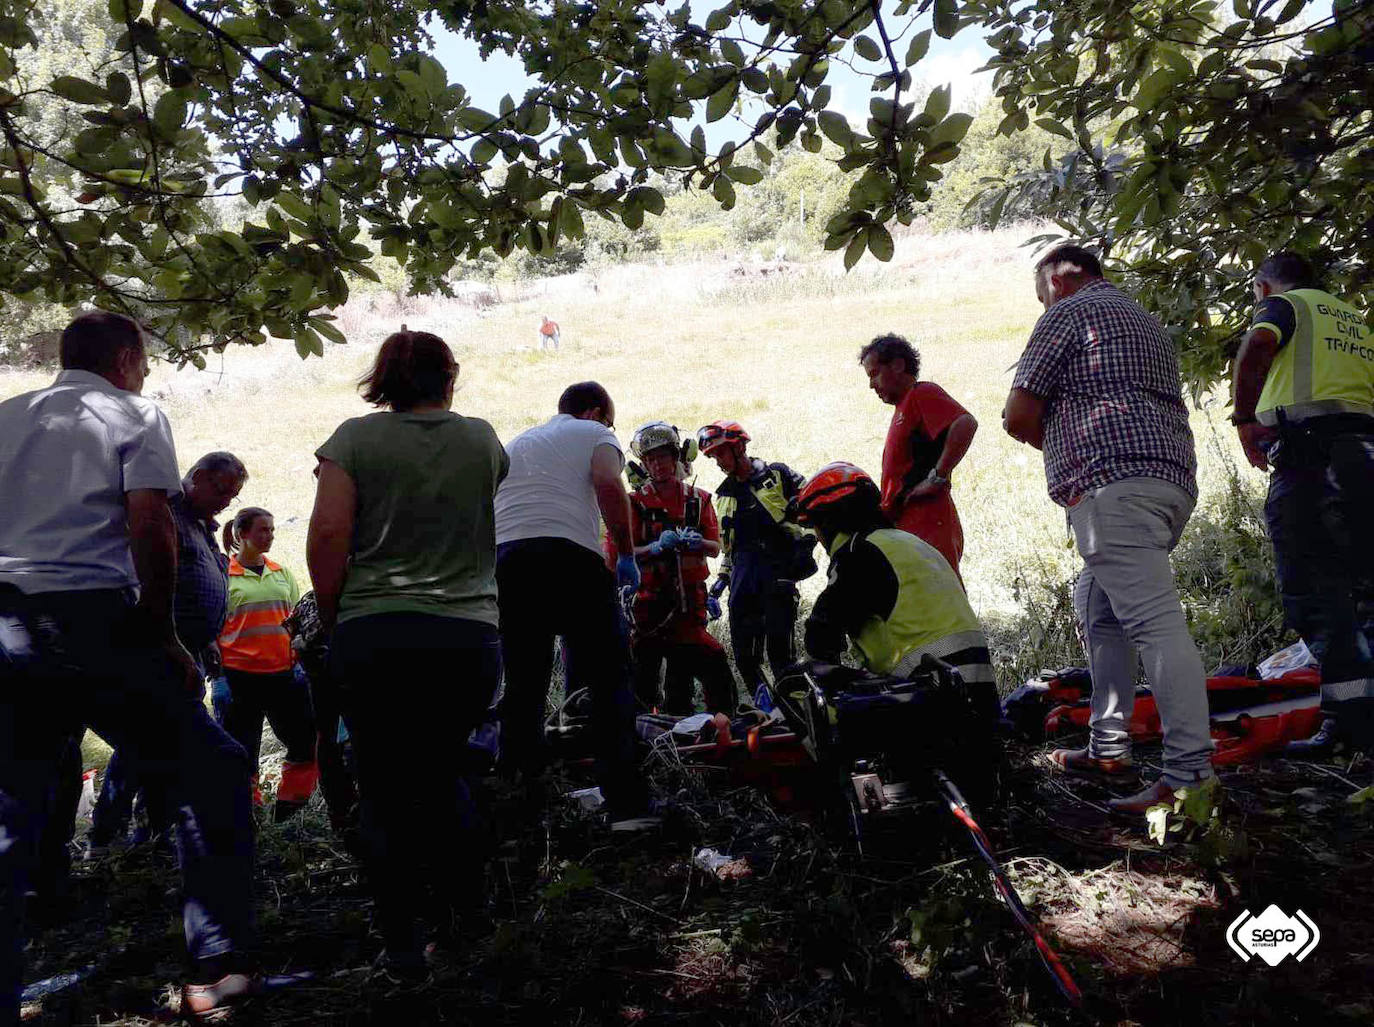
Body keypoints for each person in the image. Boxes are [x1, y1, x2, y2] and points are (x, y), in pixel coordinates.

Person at [0, 311, 256, 1018]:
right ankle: (216, 971)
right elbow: (150, 522)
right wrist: (163, 634)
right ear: (123, 358)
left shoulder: (5, 416)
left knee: (11, 806)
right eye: (143, 362)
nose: (145, 374)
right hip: (93, 618)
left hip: (9, 624)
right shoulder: (132, 412)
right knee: (213, 770)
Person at [308, 329, 508, 973]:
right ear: (449, 375)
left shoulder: (353, 440)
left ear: (384, 378)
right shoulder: (481, 439)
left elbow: (330, 531)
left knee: (385, 789)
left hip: (376, 634)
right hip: (465, 638)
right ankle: (469, 923)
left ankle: (400, 943)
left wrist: (337, 616)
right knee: (444, 771)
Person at [1002, 244, 1214, 814]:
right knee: (1099, 608)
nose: (1041, 304)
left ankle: (1190, 775)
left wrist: (1068, 449)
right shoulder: (1143, 319)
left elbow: (1017, 416)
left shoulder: (1067, 313)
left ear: (1057, 280)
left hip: (1111, 489)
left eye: (1040, 294)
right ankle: (1108, 749)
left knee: (1154, 624)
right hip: (1169, 483)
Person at [1230, 251, 1374, 753]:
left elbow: (1258, 343)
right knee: (1365, 591)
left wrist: (1244, 419)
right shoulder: (1353, 319)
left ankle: (1349, 724)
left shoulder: (1285, 307)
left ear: (1263, 288)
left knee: (1315, 591)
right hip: (1365, 458)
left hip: (1312, 460)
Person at [494, 381, 655, 828]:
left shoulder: (518, 442)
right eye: (610, 419)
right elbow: (608, 483)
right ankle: (625, 803)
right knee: (609, 677)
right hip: (568, 557)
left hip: (507, 562)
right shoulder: (595, 433)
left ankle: (520, 800)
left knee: (525, 682)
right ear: (597, 410)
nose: (611, 428)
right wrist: (624, 552)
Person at [89, 451, 247, 851]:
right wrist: (170, 638)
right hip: (161, 648)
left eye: (234, 495)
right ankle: (109, 833)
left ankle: (153, 831)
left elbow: (199, 582)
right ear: (195, 477)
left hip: (190, 647)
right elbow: (153, 579)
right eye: (221, 489)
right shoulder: (165, 515)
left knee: (159, 742)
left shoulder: (200, 524)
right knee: (147, 739)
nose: (226, 500)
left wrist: (208, 637)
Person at [796, 462, 1000, 730]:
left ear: (829, 520)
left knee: (800, 681)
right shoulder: (905, 541)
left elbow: (821, 632)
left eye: (816, 527)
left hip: (933, 698)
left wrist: (826, 684)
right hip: (980, 698)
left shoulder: (858, 553)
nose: (819, 539)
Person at [620, 422, 737, 714]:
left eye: (663, 457)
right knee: (643, 683)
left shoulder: (699, 499)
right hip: (648, 612)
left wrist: (696, 543)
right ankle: (645, 739)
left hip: (689, 609)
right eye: (651, 459)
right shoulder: (633, 504)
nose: (658, 464)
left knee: (687, 680)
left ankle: (707, 730)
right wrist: (655, 547)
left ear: (676, 458)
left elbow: (715, 547)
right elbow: (622, 554)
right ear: (644, 463)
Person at [696, 420, 816, 699]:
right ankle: (769, 711)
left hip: (778, 570)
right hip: (743, 577)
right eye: (713, 457)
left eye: (721, 454)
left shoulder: (777, 475)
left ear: (739, 447)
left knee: (781, 655)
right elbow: (729, 548)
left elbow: (812, 506)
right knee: (744, 658)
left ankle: (799, 714)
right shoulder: (724, 495)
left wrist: (806, 545)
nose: (718, 462)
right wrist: (720, 584)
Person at [217, 507, 317, 819]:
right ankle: (248, 815)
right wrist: (219, 676)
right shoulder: (224, 578)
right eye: (263, 530)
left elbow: (296, 620)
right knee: (242, 752)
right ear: (241, 535)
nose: (270, 536)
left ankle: (291, 810)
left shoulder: (281, 573)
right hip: (240, 679)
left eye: (272, 530)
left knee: (304, 744)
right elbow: (214, 629)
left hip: (284, 676)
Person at [859, 334, 977, 576]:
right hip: (907, 524)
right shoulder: (903, 408)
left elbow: (965, 424)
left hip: (928, 519)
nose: (872, 385)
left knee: (940, 596)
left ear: (898, 365)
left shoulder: (921, 393)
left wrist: (938, 477)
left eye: (874, 374)